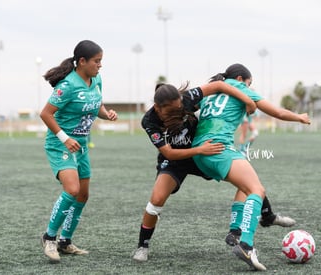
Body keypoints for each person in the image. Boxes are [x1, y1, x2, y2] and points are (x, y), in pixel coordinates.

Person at [132, 81, 294, 263]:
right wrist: (199, 151)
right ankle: (142, 246)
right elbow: (168, 152)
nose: (179, 111)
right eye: (172, 110)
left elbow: (218, 85)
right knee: (156, 200)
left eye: (180, 107)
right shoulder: (149, 121)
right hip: (176, 160)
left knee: (246, 182)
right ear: (158, 108)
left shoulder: (185, 98)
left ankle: (266, 217)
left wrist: (247, 100)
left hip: (201, 151)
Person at [192, 63, 310, 270]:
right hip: (219, 149)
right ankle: (246, 245)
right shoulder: (240, 88)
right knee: (257, 190)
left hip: (200, 154)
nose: (250, 87)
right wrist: (299, 117)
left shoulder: (210, 92)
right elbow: (278, 113)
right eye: (249, 83)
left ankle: (235, 232)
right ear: (240, 80)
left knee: (246, 186)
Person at [39, 40, 118, 263]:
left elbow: (97, 107)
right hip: (60, 145)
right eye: (97, 61)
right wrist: (64, 138)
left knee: (83, 195)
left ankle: (65, 241)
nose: (100, 65)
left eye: (101, 61)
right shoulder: (67, 85)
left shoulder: (96, 80)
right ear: (82, 61)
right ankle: (49, 237)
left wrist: (107, 114)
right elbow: (45, 114)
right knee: (72, 190)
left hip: (81, 145)